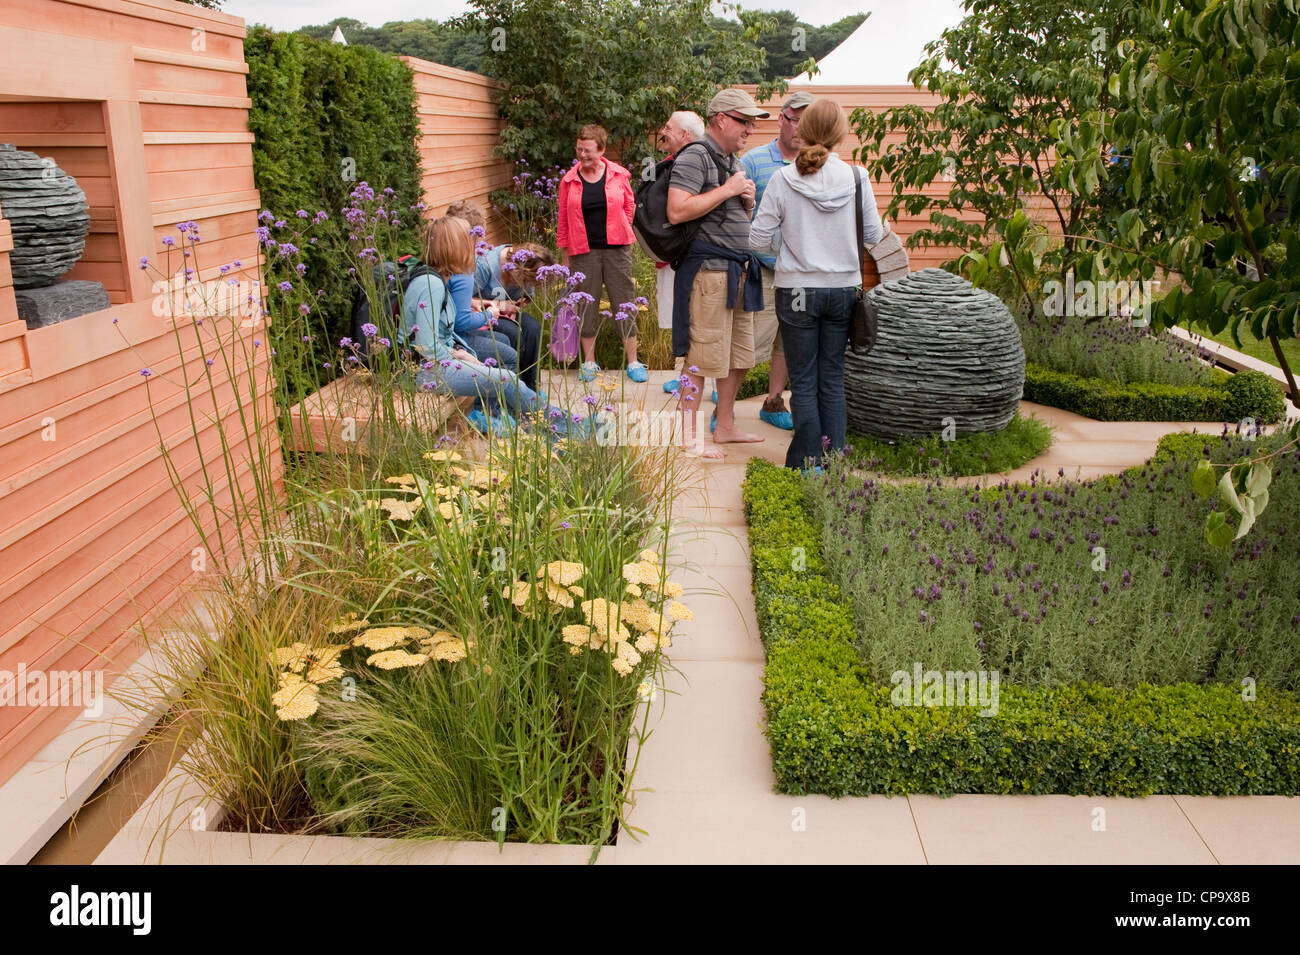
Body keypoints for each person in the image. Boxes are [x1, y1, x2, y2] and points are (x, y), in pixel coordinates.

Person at [748, 99, 884, 471]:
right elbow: (873, 233)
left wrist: (790, 244)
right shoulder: (857, 177)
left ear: (803, 132)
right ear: (840, 134)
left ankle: (806, 464)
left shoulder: (783, 178)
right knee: (832, 378)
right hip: (842, 291)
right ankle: (832, 462)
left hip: (797, 292)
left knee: (804, 380)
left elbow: (758, 240)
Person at [402, 216, 583, 437]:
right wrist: (459, 355)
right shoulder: (431, 284)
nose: (475, 246)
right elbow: (426, 348)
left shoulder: (440, 279)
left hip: (437, 361)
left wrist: (459, 350)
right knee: (505, 380)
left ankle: (504, 418)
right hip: (422, 371)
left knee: (505, 367)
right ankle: (564, 430)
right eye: (469, 241)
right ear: (455, 247)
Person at [667, 88, 768, 458]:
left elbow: (721, 213)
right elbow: (677, 210)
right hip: (708, 275)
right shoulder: (696, 156)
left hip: (737, 272)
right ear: (721, 119)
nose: (750, 129)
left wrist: (746, 203)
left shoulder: (730, 160)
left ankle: (724, 425)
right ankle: (689, 436)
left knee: (738, 355)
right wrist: (728, 189)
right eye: (745, 121)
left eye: (753, 123)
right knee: (701, 356)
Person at [740, 91, 815, 431]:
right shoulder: (754, 161)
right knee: (748, 343)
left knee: (789, 342)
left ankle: (773, 401)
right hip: (763, 270)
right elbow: (737, 214)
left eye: (806, 121)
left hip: (802, 273)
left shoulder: (819, 164)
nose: (799, 127)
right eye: (794, 119)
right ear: (782, 119)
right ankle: (722, 411)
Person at [557, 123, 646, 383]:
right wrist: (565, 257)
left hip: (618, 250)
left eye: (588, 150)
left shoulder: (619, 175)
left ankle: (633, 361)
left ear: (602, 149)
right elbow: (563, 219)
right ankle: (589, 362)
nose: (582, 155)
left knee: (625, 301)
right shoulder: (569, 180)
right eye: (578, 149)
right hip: (583, 251)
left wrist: (621, 226)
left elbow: (629, 205)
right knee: (586, 305)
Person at [446, 199, 546, 393]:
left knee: (533, 328)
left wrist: (513, 306)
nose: (483, 243)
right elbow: (458, 304)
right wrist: (497, 306)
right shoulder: (472, 267)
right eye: (478, 236)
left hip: (492, 313)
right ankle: (516, 392)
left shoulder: (471, 259)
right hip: (479, 318)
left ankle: (532, 389)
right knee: (511, 336)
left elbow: (525, 298)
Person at [652, 111, 710, 397]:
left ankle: (705, 381)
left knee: (702, 317)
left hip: (701, 255)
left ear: (684, 135)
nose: (664, 132)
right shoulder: (666, 165)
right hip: (674, 255)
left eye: (668, 128)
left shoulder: (702, 163)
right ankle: (684, 375)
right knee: (681, 317)